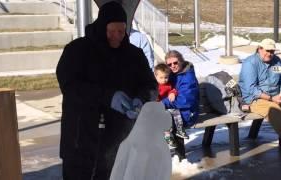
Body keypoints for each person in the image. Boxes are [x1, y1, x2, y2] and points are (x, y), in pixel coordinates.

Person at [56, 2, 157, 179]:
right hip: (80, 139)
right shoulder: (77, 50)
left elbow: (150, 85)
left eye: (121, 31)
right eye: (111, 31)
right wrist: (108, 97)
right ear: (102, 27)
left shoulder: (134, 55)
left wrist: (141, 99)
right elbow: (70, 86)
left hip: (118, 141)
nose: (116, 37)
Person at [161, 50, 200, 145]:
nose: (173, 66)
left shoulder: (188, 77)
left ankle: (180, 156)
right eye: (169, 64)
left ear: (181, 61)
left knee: (160, 122)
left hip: (188, 113)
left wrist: (163, 103)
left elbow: (185, 100)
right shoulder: (172, 75)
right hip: (175, 110)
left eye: (175, 63)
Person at [154, 63, 189, 140]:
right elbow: (154, 96)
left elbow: (173, 90)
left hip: (168, 107)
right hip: (159, 109)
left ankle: (180, 130)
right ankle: (167, 137)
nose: (164, 80)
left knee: (176, 112)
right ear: (155, 76)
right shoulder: (155, 86)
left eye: (166, 77)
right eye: (161, 78)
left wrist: (172, 93)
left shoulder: (168, 84)